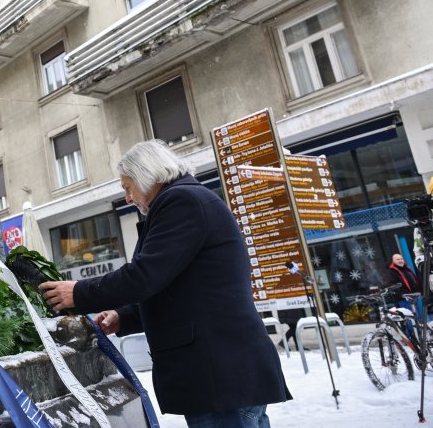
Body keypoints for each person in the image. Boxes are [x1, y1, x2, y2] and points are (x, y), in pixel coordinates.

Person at [40, 140, 290, 428]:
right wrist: (124, 317)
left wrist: (79, 292)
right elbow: (175, 286)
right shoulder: (188, 200)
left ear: (148, 176)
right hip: (224, 373)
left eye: (127, 187)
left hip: (219, 375)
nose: (128, 198)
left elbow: (146, 274)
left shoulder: (181, 201)